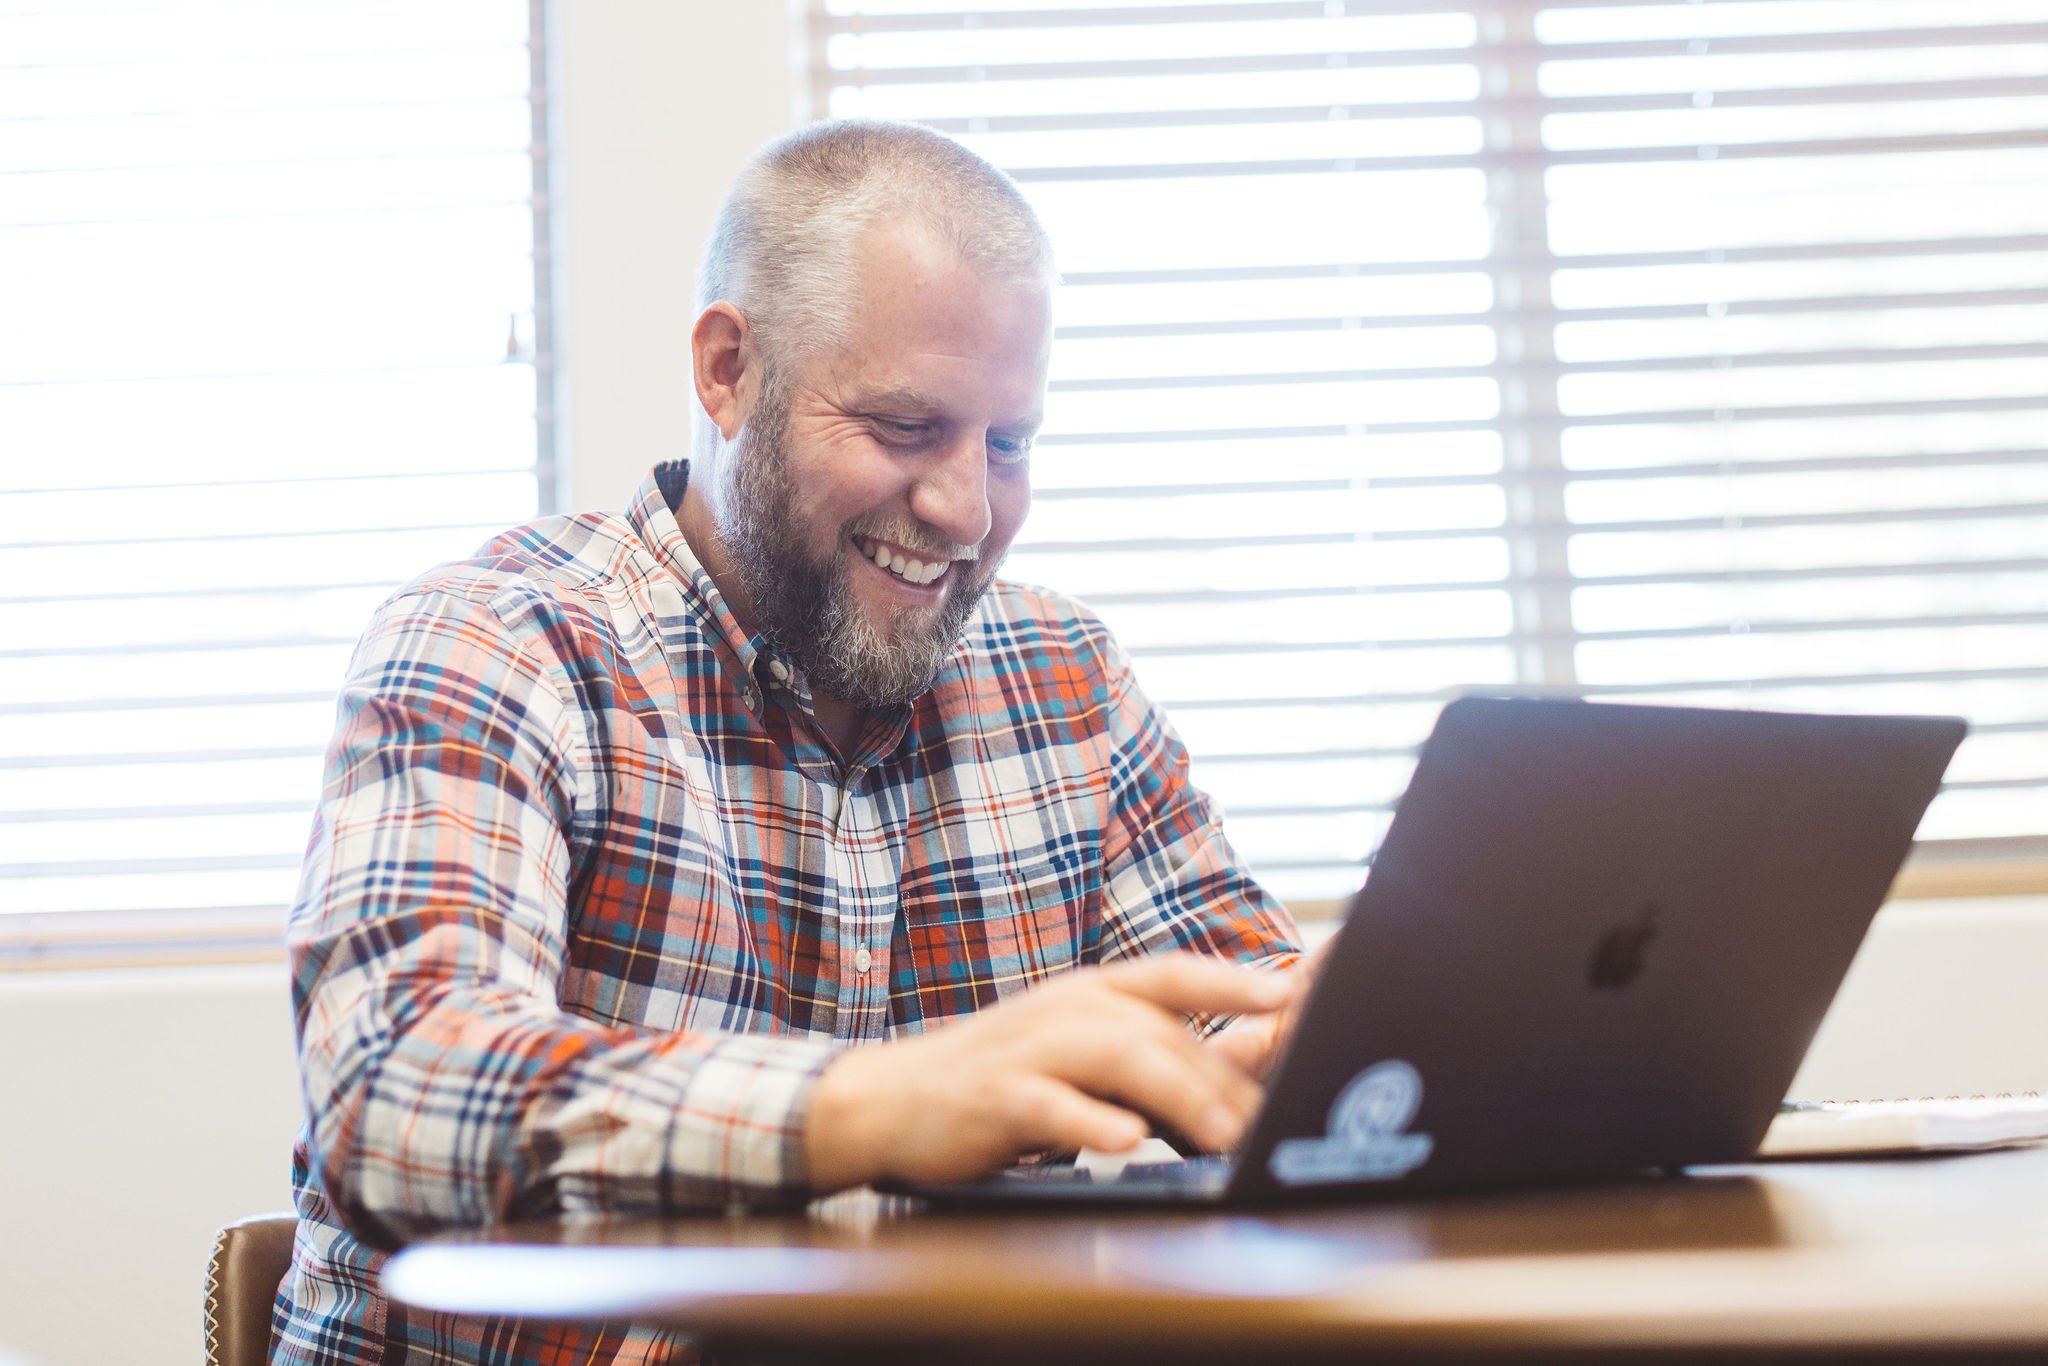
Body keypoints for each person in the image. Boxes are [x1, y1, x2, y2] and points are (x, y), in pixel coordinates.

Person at [273, 119, 1304, 1366]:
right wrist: (878, 1106)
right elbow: (397, 1093)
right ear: (726, 368)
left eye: (1009, 444)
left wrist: (1297, 1069)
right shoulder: (500, 643)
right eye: (903, 427)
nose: (967, 511)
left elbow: (1245, 1029)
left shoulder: (1062, 678)